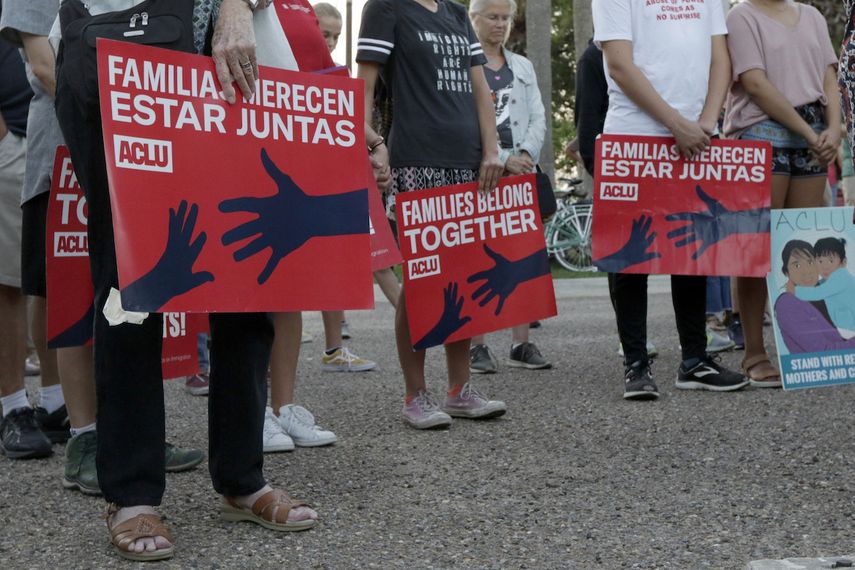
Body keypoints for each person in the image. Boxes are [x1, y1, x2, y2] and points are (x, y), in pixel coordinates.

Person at [53, 0, 317, 561]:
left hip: (235, 60)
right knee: (129, 283)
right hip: (118, 52)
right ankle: (131, 492)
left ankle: (242, 477)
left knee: (247, 279)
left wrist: (237, 7)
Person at [357, 0, 507, 429]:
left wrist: (492, 149)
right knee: (423, 278)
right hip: (415, 159)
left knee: (461, 272)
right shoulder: (386, 8)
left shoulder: (458, 14)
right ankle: (414, 394)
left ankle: (460, 389)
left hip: (469, 162)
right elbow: (363, 90)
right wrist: (369, 146)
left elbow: (481, 90)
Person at [592, 0, 748, 400]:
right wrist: (675, 123)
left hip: (697, 135)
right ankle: (636, 364)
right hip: (633, 132)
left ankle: (695, 360)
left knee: (692, 250)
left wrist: (707, 122)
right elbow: (620, 65)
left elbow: (720, 57)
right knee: (630, 256)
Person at [724, 0, 840, 387]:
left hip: (814, 134)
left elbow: (829, 77)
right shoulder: (740, 16)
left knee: (800, 246)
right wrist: (811, 134)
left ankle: (805, 348)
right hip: (761, 135)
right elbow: (754, 82)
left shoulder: (812, 15)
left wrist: (835, 128)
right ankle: (754, 352)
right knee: (758, 248)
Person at [465, 0, 550, 374]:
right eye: (493, 17)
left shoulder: (523, 67)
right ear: (474, 18)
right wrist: (499, 157)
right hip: (483, 172)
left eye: (505, 18)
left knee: (523, 252)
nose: (500, 25)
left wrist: (526, 153)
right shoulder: (464, 64)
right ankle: (477, 344)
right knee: (479, 253)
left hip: (521, 173)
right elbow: (463, 117)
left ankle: (522, 342)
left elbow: (538, 115)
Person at [773, 239, 855, 354]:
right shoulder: (788, 303)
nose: (806, 271)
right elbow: (824, 352)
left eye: (810, 262)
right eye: (797, 265)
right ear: (786, 272)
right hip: (825, 369)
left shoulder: (830, 287)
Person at [790, 237, 855, 331]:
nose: (825, 266)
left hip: (851, 321)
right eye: (820, 261)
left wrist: (796, 290)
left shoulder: (841, 276)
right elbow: (819, 286)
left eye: (830, 261)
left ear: (843, 262)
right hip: (846, 321)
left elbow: (818, 292)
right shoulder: (831, 279)